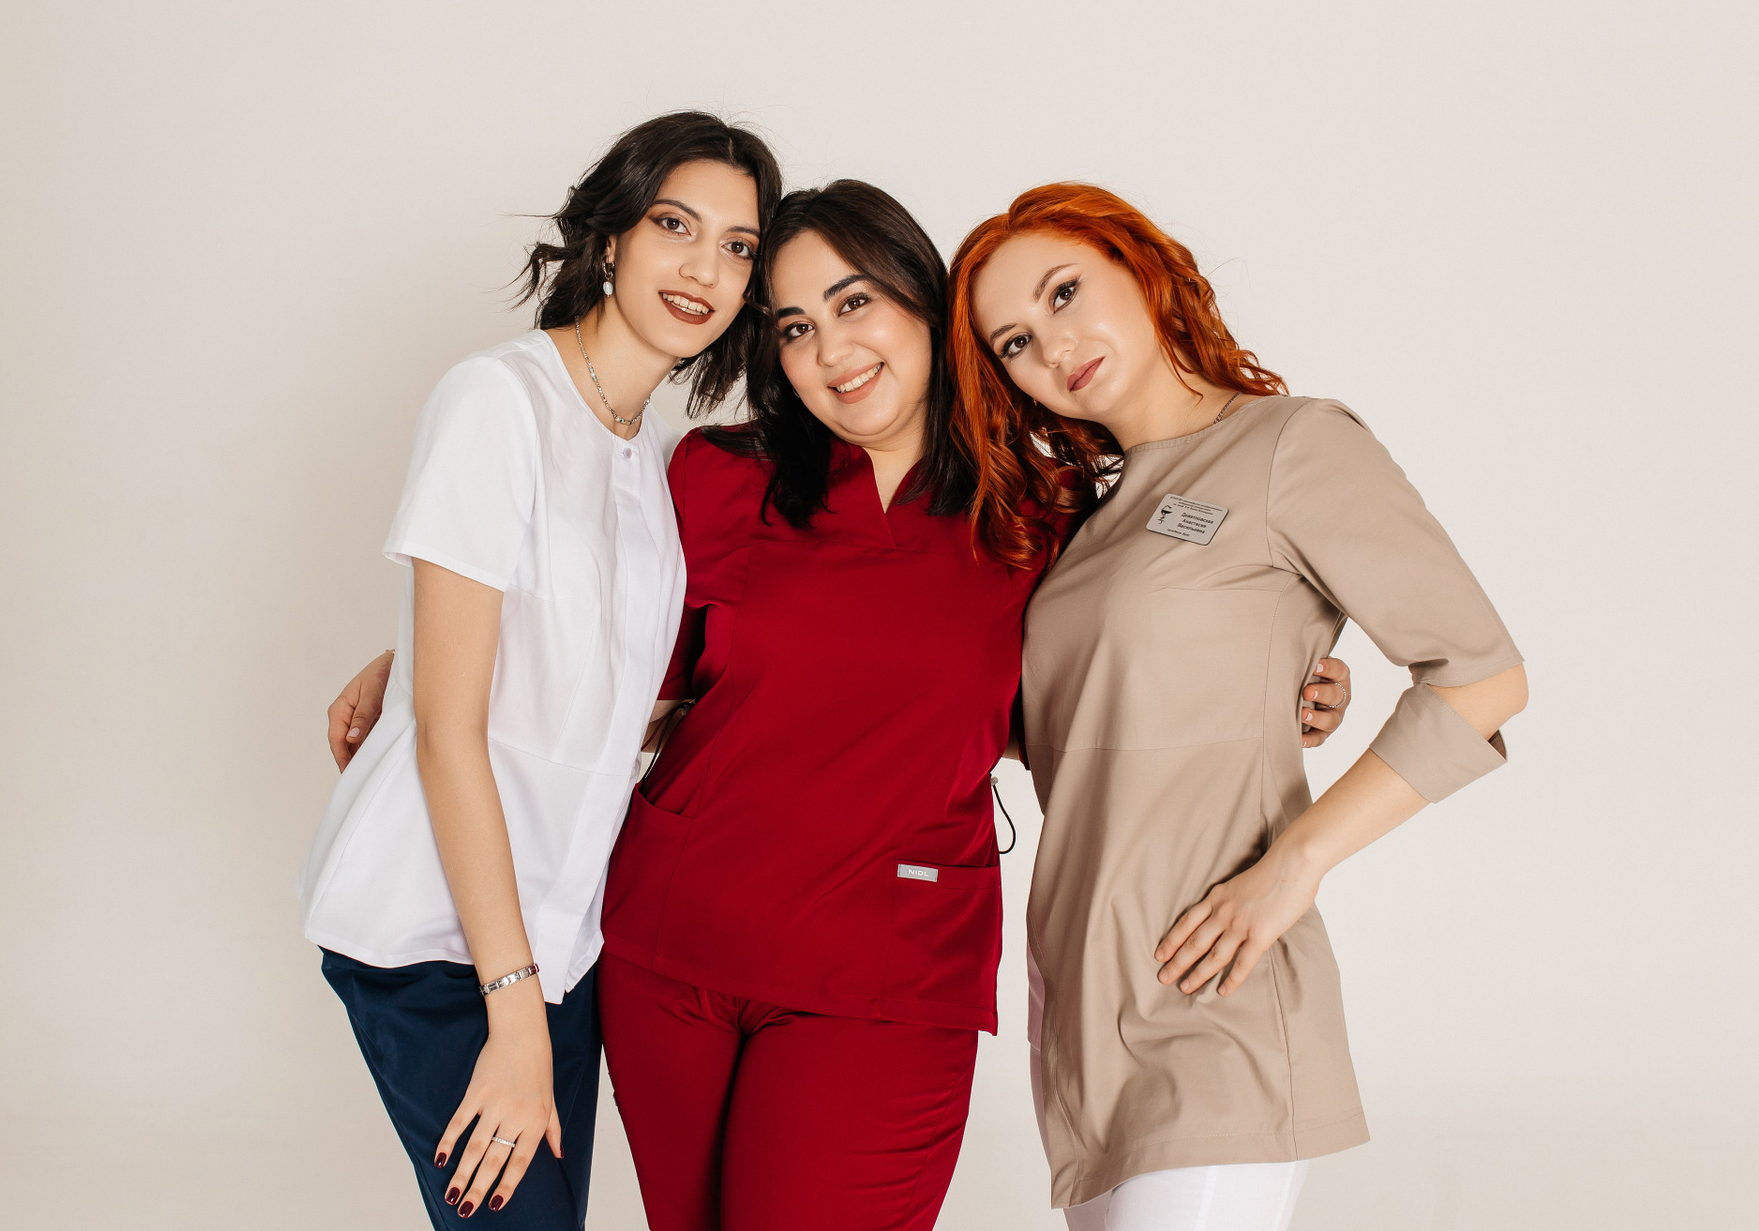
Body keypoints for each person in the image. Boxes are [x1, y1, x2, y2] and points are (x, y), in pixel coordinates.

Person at [328, 179, 1354, 1230]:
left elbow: (1129, 670)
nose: (831, 350)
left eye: (855, 302)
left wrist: (1291, 679)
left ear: (925, 302)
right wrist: (421, 660)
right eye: (794, 326)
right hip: (671, 950)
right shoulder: (720, 476)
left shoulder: (1042, 516)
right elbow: (604, 637)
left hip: (886, 974)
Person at [949, 182, 1528, 1231]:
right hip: (1083, 1015)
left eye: (1065, 291)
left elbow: (1481, 675)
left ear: (1140, 264)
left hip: (1218, 994)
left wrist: (1292, 868)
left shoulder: (1293, 444)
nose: (1055, 345)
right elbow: (1079, 718)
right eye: (1017, 343)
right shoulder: (1079, 525)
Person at [297, 110, 780, 1227]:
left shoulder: (649, 455)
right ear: (610, 238)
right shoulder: (498, 400)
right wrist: (512, 1012)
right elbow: (450, 734)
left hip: (561, 937)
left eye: (738, 247)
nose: (705, 269)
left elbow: (600, 678)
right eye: (675, 226)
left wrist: (414, 647)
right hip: (437, 938)